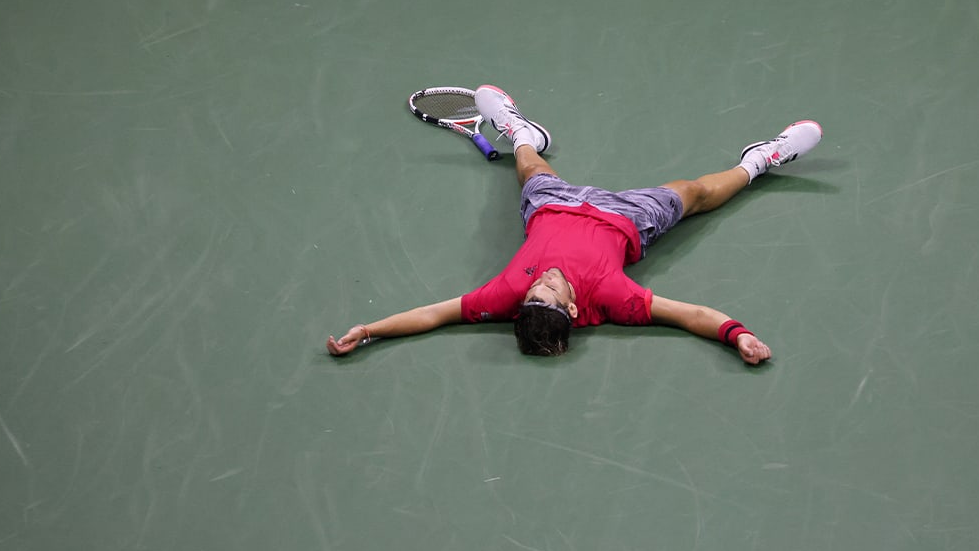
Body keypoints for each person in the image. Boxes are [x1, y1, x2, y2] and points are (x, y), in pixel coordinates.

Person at [326, 85, 822, 365]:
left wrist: (370, 329)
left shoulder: (505, 299)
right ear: (574, 306)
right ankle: (762, 159)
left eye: (532, 295)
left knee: (530, 168)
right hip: (627, 217)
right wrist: (738, 336)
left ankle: (521, 132)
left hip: (552, 203)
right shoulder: (615, 301)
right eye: (547, 293)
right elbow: (691, 315)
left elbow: (432, 315)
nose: (538, 284)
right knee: (694, 193)